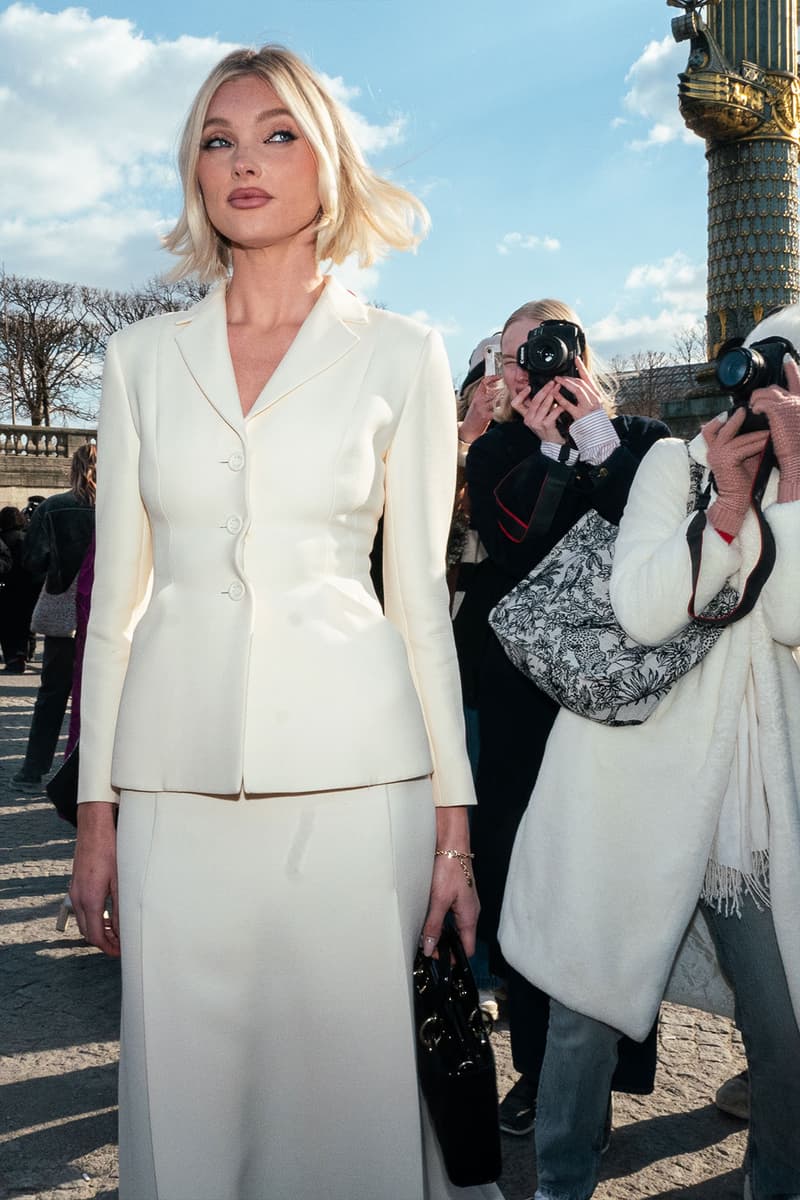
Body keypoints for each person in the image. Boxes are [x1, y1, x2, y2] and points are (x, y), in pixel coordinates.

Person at [68, 44, 499, 1200]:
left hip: (361, 788)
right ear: (194, 172)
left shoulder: (401, 354)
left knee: (352, 1109)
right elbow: (115, 611)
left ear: (328, 162)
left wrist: (453, 835)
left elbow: (418, 603)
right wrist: (96, 817)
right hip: (173, 787)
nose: (243, 161)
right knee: (188, 1109)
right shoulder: (138, 359)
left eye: (276, 134)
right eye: (218, 139)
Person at [500, 304, 800, 1200]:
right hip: (632, 778)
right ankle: (561, 1182)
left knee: (784, 1024)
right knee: (586, 1008)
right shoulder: (676, 462)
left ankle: (777, 1181)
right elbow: (642, 608)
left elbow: (791, 617)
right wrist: (727, 505)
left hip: (746, 798)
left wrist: (792, 486)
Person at [464, 300, 670, 1136]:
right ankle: (540, 1070)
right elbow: (516, 544)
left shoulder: (643, 438)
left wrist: (595, 441)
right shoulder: (497, 451)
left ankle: (612, 1070)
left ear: (579, 351)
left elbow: (659, 538)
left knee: (613, 878)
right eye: (512, 355)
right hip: (519, 697)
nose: (529, 369)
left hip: (615, 697)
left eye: (543, 349)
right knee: (524, 878)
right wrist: (550, 449)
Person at [12, 447, 96, 787]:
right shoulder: (124, 506)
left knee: (52, 695)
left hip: (65, 612)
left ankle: (33, 770)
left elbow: (32, 561)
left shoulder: (53, 507)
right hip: (113, 612)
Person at [0, 506, 37, 673]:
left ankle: (11, 658)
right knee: (25, 623)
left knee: (6, 624)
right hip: (27, 586)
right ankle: (24, 653)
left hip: (5, 586)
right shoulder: (28, 538)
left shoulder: (2, 538)